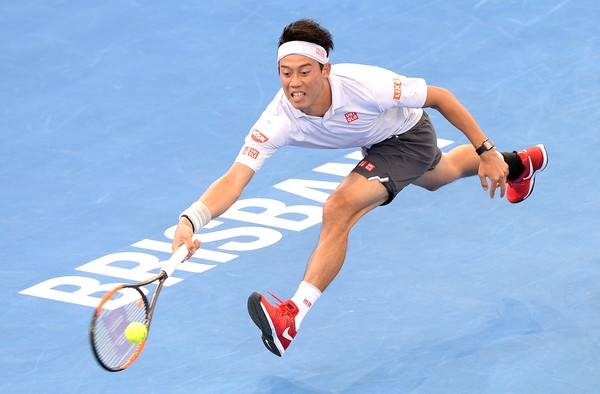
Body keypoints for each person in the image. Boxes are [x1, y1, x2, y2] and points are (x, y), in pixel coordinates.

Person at [172, 19, 548, 357]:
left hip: (406, 136)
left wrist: (486, 149)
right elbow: (234, 179)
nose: (294, 83)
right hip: (378, 142)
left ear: (325, 70)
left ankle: (292, 316)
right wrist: (192, 220)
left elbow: (441, 97)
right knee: (441, 174)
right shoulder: (278, 118)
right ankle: (521, 164)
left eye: (304, 71)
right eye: (285, 73)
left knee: (339, 207)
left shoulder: (366, 86)